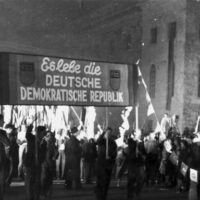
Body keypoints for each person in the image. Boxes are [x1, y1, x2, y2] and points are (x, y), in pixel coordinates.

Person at [94, 127, 117, 200]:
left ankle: (104, 195)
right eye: (107, 133)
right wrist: (103, 134)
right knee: (100, 181)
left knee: (106, 181)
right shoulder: (102, 140)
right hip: (100, 164)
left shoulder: (112, 142)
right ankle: (98, 195)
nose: (108, 134)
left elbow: (114, 152)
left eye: (109, 133)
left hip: (108, 164)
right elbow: (97, 142)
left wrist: (111, 157)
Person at [0, 114, 10, 200]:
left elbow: (7, 143)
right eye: (2, 120)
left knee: (1, 183)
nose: (3, 122)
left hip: (2, 160)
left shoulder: (2, 132)